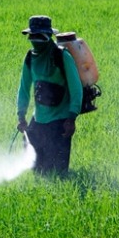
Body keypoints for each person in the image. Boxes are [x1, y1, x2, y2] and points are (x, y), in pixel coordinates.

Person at [16, 15, 83, 177]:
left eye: (38, 37)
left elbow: (76, 89)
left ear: (47, 37)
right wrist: (21, 115)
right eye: (32, 37)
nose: (34, 41)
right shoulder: (30, 58)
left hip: (60, 121)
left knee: (57, 173)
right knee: (37, 170)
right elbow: (24, 88)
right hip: (38, 120)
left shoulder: (62, 56)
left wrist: (71, 118)